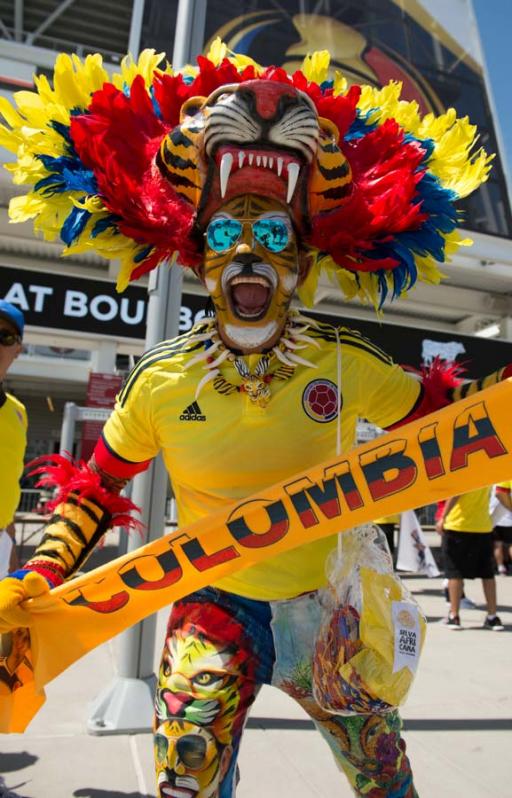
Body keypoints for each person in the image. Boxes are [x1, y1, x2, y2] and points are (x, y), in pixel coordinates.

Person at [0, 44, 508, 797]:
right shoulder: (163, 379)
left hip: (326, 613)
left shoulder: (345, 364)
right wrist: (41, 571)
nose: (246, 252)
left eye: (271, 238)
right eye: (225, 240)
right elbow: (96, 487)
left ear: (298, 264)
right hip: (216, 607)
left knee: (383, 777)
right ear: (200, 263)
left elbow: (461, 430)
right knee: (187, 770)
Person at [436, 488, 504, 631]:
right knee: (487, 574)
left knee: (454, 573)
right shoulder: (486, 473)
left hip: (458, 525)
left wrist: (443, 516)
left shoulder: (463, 470)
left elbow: (456, 493)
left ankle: (454, 616)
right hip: (482, 526)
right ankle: (492, 616)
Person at [0, 301, 26, 580]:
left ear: (17, 349)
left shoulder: (18, 413)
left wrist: (10, 546)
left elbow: (8, 482)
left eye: (5, 336)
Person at [492, 481, 512, 574]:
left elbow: (499, 493)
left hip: (497, 519)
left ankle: (501, 567)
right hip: (508, 520)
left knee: (497, 544)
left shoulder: (500, 479)